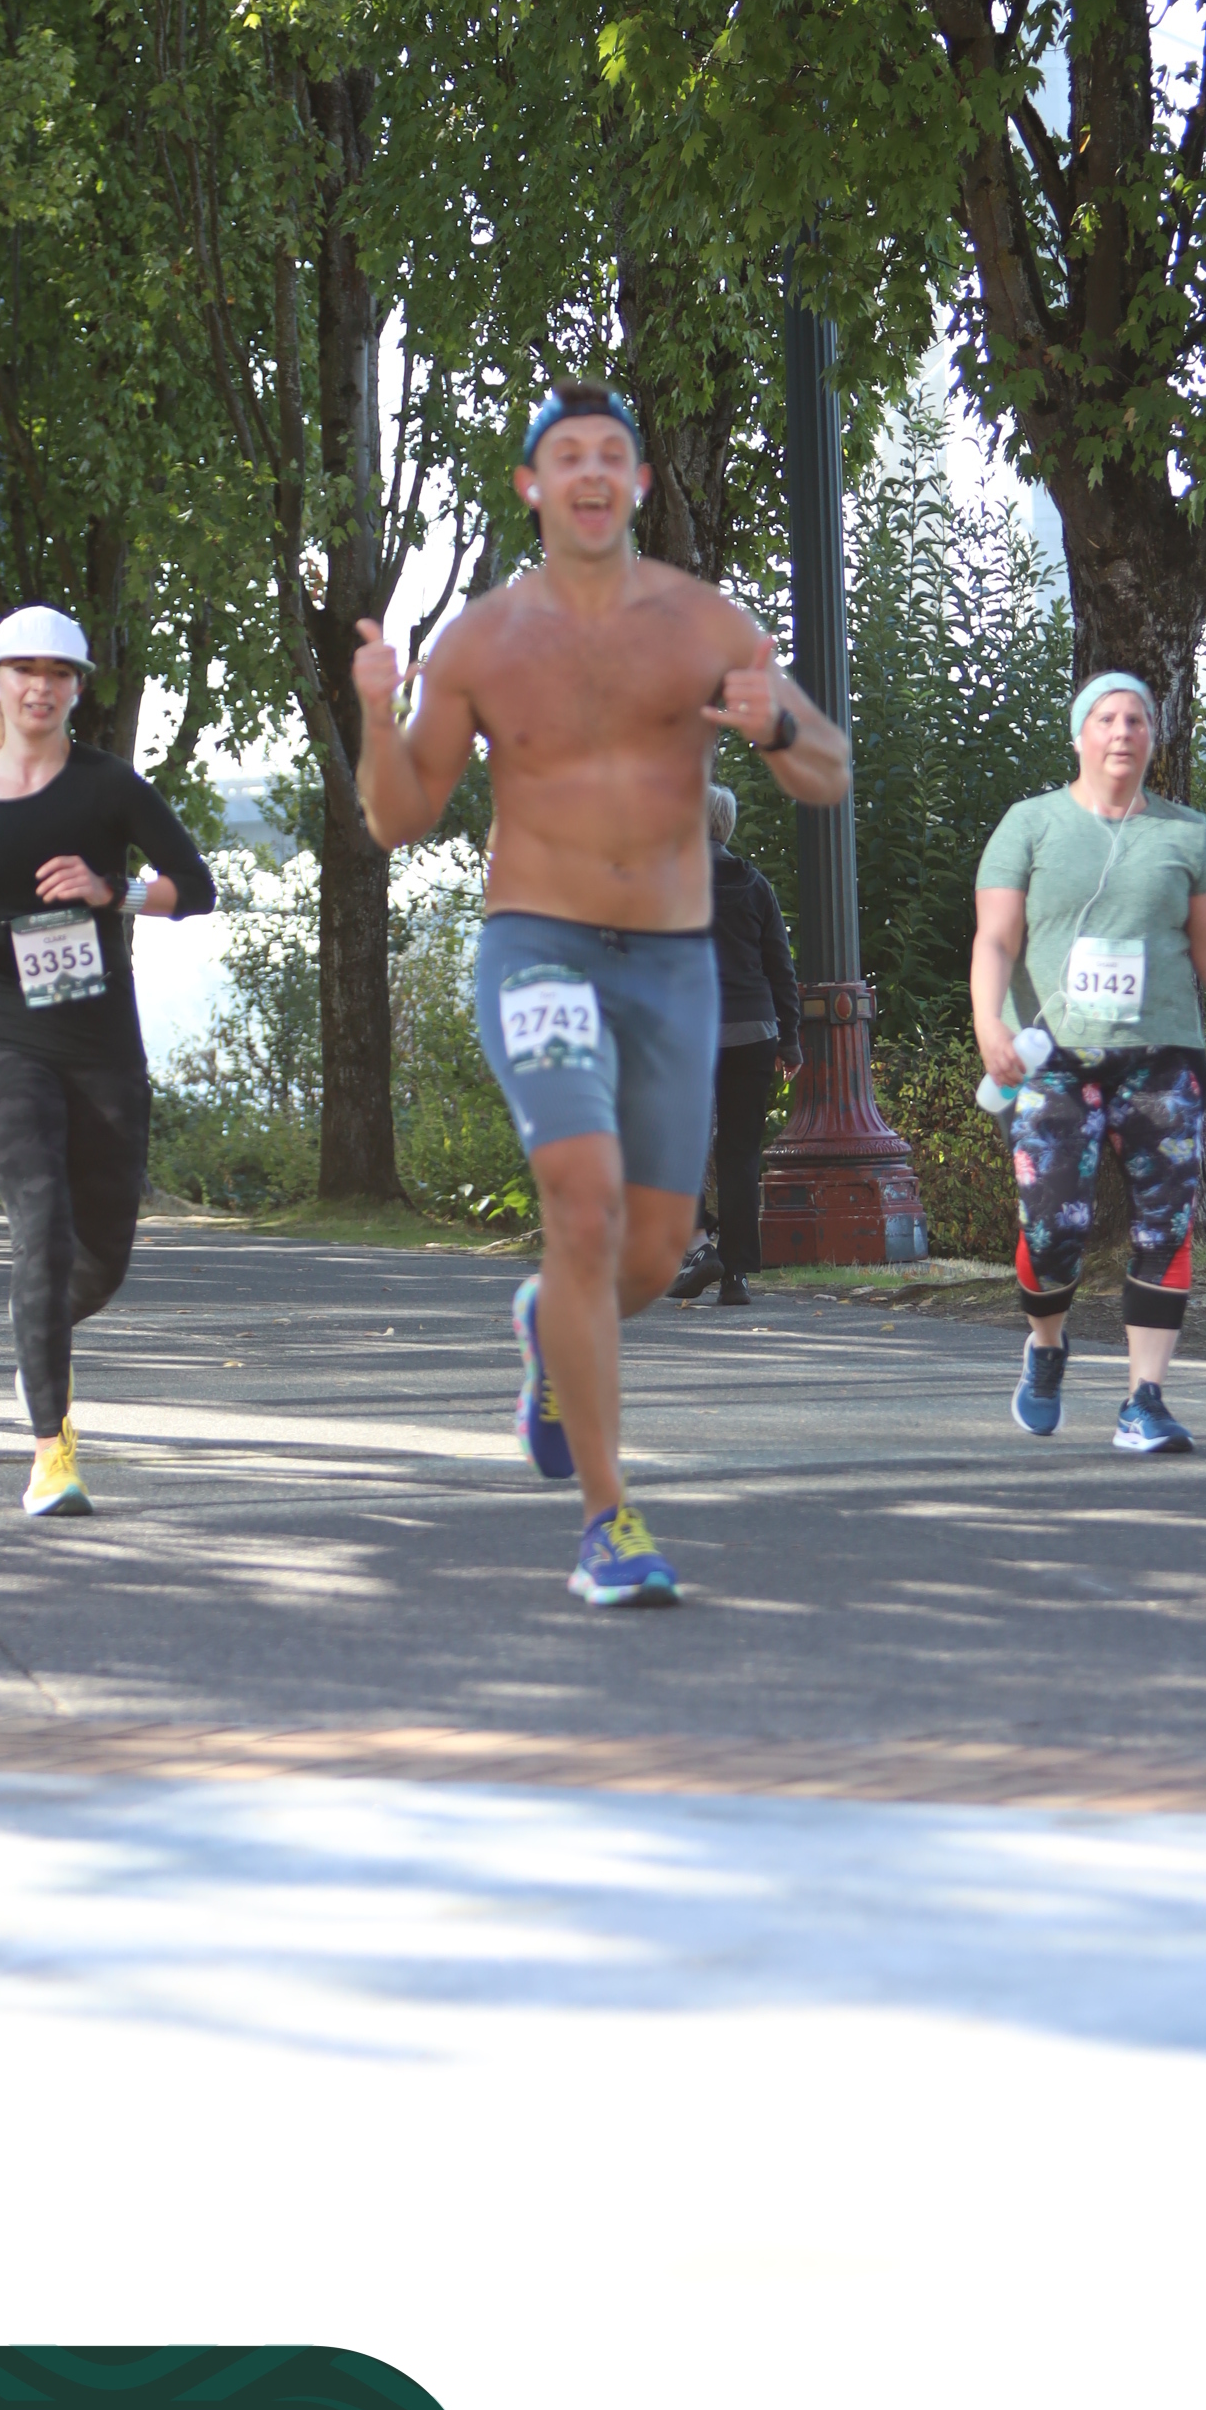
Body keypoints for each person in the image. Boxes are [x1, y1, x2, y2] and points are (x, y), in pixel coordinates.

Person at [352, 381, 849, 1607]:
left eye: (610, 454)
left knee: (651, 1255)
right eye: (564, 454)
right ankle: (606, 1519)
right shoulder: (481, 641)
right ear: (531, 486)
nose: (588, 471)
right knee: (580, 1206)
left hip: (674, 964)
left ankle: (547, 1326)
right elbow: (400, 818)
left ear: (636, 483)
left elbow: (829, 771)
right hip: (538, 948)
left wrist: (774, 727)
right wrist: (375, 710)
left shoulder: (702, 623)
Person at [0, 604, 216, 1518]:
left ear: (75, 689)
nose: (38, 686)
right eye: (22, 670)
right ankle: (51, 1452)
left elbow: (199, 886)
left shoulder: (109, 787)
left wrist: (115, 889)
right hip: (4, 1043)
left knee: (98, 1261)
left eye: (57, 673)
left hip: (103, 1045)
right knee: (43, 1218)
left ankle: (38, 1324)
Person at [971, 670, 1206, 1455]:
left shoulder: (1187, 835)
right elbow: (996, 939)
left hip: (1164, 1057)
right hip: (1054, 1060)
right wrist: (988, 1024)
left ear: (1154, 737)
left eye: (1137, 720)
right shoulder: (1030, 824)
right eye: (1107, 719)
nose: (1122, 732)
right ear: (1080, 735)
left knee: (1165, 1224)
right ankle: (1047, 1344)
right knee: (1054, 1226)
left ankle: (1144, 1401)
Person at [669, 784, 803, 1306]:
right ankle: (737, 1276)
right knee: (740, 1152)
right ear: (727, 826)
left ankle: (699, 1246)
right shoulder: (755, 885)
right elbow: (780, 967)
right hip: (753, 1031)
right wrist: (789, 1040)